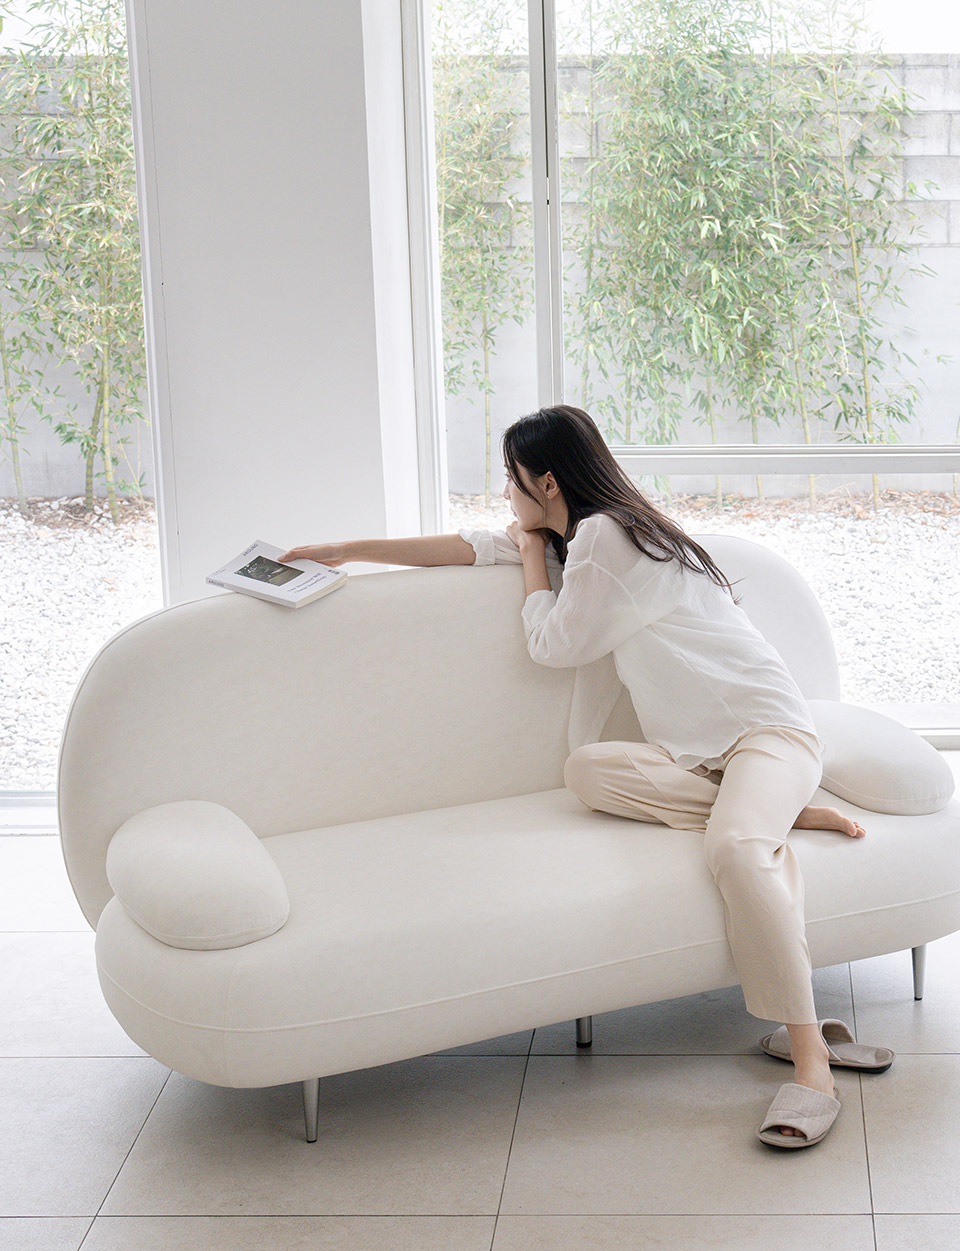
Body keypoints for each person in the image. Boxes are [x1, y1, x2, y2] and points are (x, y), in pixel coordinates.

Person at [279, 404, 890, 1148]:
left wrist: (532, 558)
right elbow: (472, 547)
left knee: (735, 851)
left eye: (511, 478)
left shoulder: (606, 537)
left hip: (768, 733)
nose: (504, 494)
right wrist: (345, 550)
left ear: (547, 482)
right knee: (588, 770)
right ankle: (774, 812)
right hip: (698, 758)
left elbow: (554, 645)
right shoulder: (587, 536)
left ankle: (811, 1061)